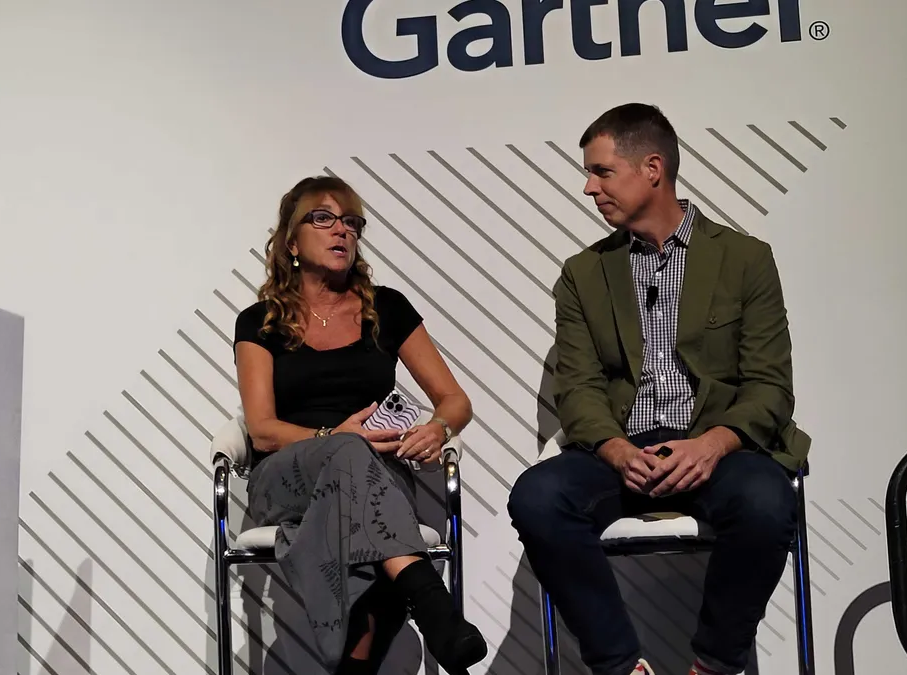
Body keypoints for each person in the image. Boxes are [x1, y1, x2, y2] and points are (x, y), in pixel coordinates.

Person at [507, 103, 810, 675]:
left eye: (600, 172)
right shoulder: (583, 273)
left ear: (652, 168)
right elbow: (578, 389)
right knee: (538, 498)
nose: (588, 187)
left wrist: (713, 445)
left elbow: (770, 385)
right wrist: (616, 450)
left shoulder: (744, 259)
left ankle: (715, 664)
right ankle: (619, 665)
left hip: (715, 448)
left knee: (768, 501)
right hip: (624, 448)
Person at [234, 175, 487, 675]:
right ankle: (429, 599)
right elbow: (262, 429)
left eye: (352, 222)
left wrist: (437, 429)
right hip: (286, 475)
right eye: (323, 218)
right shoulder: (259, 321)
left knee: (359, 485)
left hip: (377, 475)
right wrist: (334, 438)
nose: (342, 231)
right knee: (351, 453)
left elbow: (455, 400)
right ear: (291, 241)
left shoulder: (386, 309)